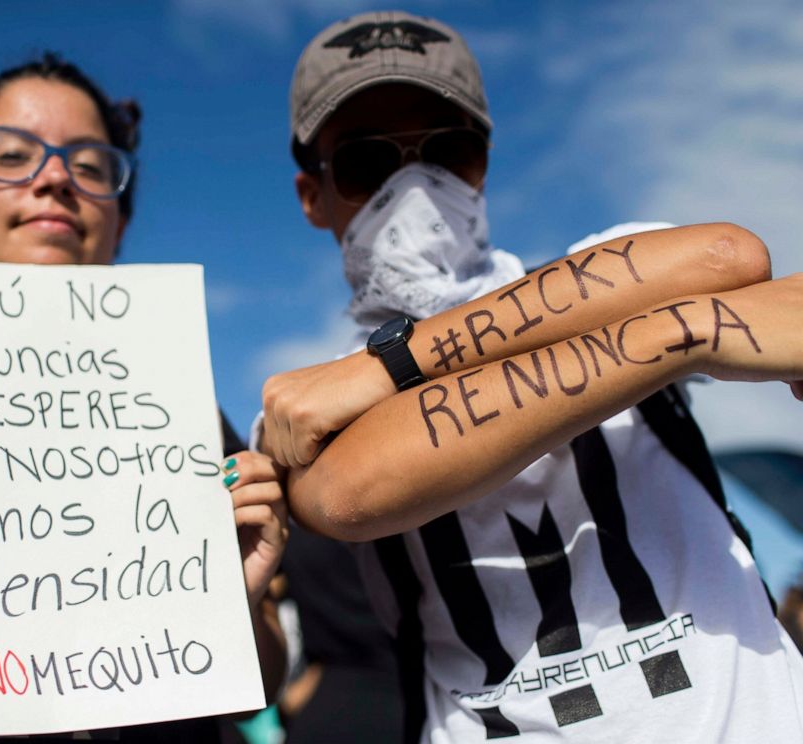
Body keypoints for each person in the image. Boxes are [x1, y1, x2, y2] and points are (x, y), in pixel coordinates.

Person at [261, 11, 803, 742]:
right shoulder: (303, 406)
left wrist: (397, 363)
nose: (416, 186)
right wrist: (681, 335)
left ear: (482, 160)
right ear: (312, 195)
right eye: (367, 162)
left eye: (447, 152)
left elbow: (729, 257)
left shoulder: (605, 266)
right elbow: (358, 493)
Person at [0, 53, 286, 742]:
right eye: (11, 155)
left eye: (92, 167)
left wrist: (233, 608)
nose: (56, 178)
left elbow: (257, 694)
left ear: (117, 226)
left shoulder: (189, 419)